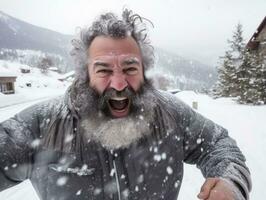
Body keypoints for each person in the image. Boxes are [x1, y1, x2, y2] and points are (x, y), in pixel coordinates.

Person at [0, 9, 251, 200]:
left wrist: (231, 181)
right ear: (84, 73)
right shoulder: (40, 125)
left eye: (130, 68)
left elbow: (219, 144)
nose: (119, 84)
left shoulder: (170, 113)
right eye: (104, 69)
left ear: (144, 71)